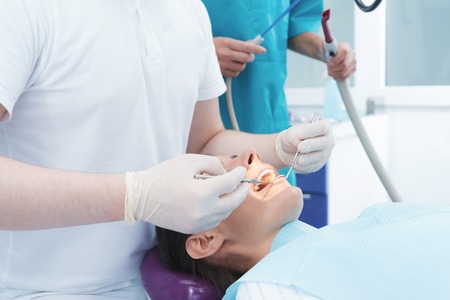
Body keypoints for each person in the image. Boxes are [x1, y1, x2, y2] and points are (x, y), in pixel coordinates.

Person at [0, 1, 335, 298]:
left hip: (155, 283)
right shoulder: (24, 10)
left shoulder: (189, 11)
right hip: (39, 288)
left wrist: (279, 148)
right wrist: (134, 195)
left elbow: (204, 142)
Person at [156, 148, 450, 299]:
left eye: (233, 156)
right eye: (216, 174)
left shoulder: (366, 223)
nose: (251, 155)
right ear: (206, 240)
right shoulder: (267, 290)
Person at [202, 0, 357, 184]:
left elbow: (295, 25)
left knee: (277, 197)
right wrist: (202, 54)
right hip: (200, 117)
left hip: (269, 116)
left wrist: (327, 52)